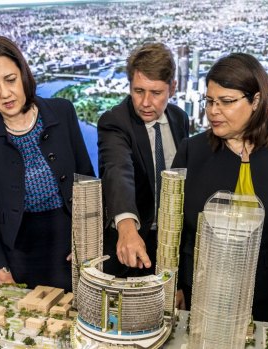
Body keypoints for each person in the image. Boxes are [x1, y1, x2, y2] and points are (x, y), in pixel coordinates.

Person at [172, 53, 268, 323]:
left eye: (226, 102)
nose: (213, 110)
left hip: (267, 290)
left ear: (256, 101)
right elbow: (176, 225)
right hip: (203, 289)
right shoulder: (191, 151)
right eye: (209, 101)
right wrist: (176, 283)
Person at [0, 35, 94, 290]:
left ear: (23, 73)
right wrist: (0, 269)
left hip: (69, 245)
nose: (5, 93)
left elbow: (86, 179)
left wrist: (87, 240)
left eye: (10, 80)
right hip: (17, 253)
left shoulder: (62, 111)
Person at [98, 43, 189, 277]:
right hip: (129, 242)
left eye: (156, 93)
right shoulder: (114, 121)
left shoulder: (180, 118)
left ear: (173, 88)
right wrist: (127, 227)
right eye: (139, 91)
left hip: (170, 240)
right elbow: (118, 170)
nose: (145, 102)